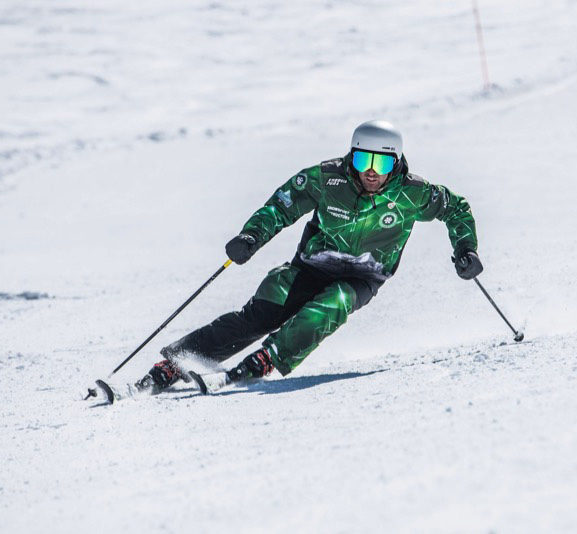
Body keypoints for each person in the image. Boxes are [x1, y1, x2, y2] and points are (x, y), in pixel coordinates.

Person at [141, 120, 482, 395]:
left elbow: (455, 209)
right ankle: (180, 361)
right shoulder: (328, 178)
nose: (372, 172)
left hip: (363, 275)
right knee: (262, 311)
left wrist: (465, 248)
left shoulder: (413, 193)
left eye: (383, 162)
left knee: (332, 304)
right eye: (364, 160)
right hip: (312, 264)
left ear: (396, 163)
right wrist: (252, 235)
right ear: (352, 156)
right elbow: (282, 204)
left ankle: (267, 359)